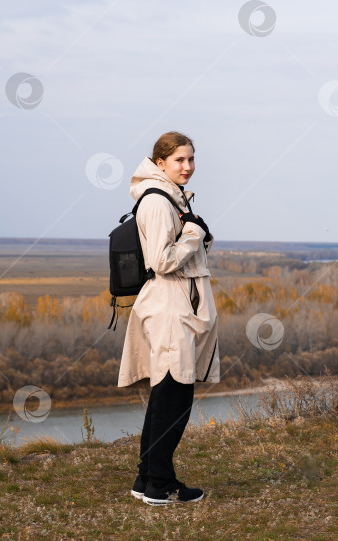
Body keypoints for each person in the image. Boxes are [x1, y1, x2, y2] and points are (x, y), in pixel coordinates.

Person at [117, 131, 220, 505]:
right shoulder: (159, 203)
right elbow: (162, 260)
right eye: (180, 160)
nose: (188, 167)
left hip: (175, 306)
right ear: (160, 163)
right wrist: (194, 232)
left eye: (191, 159)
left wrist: (193, 231)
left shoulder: (170, 198)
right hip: (169, 307)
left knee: (166, 397)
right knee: (174, 399)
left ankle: (148, 479)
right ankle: (160, 485)